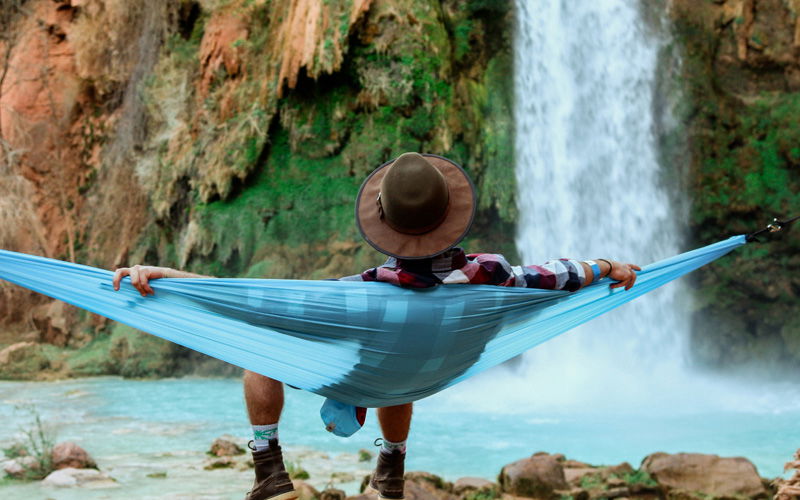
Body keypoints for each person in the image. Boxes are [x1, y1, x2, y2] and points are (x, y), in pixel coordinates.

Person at [112, 152, 640, 500]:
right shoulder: (497, 275)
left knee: (261, 346)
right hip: (424, 375)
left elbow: (248, 303)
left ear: (386, 228)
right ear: (452, 216)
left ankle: (269, 465)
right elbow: (558, 274)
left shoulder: (360, 293)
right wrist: (605, 266)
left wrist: (169, 280)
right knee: (399, 368)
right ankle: (391, 470)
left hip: (371, 367)